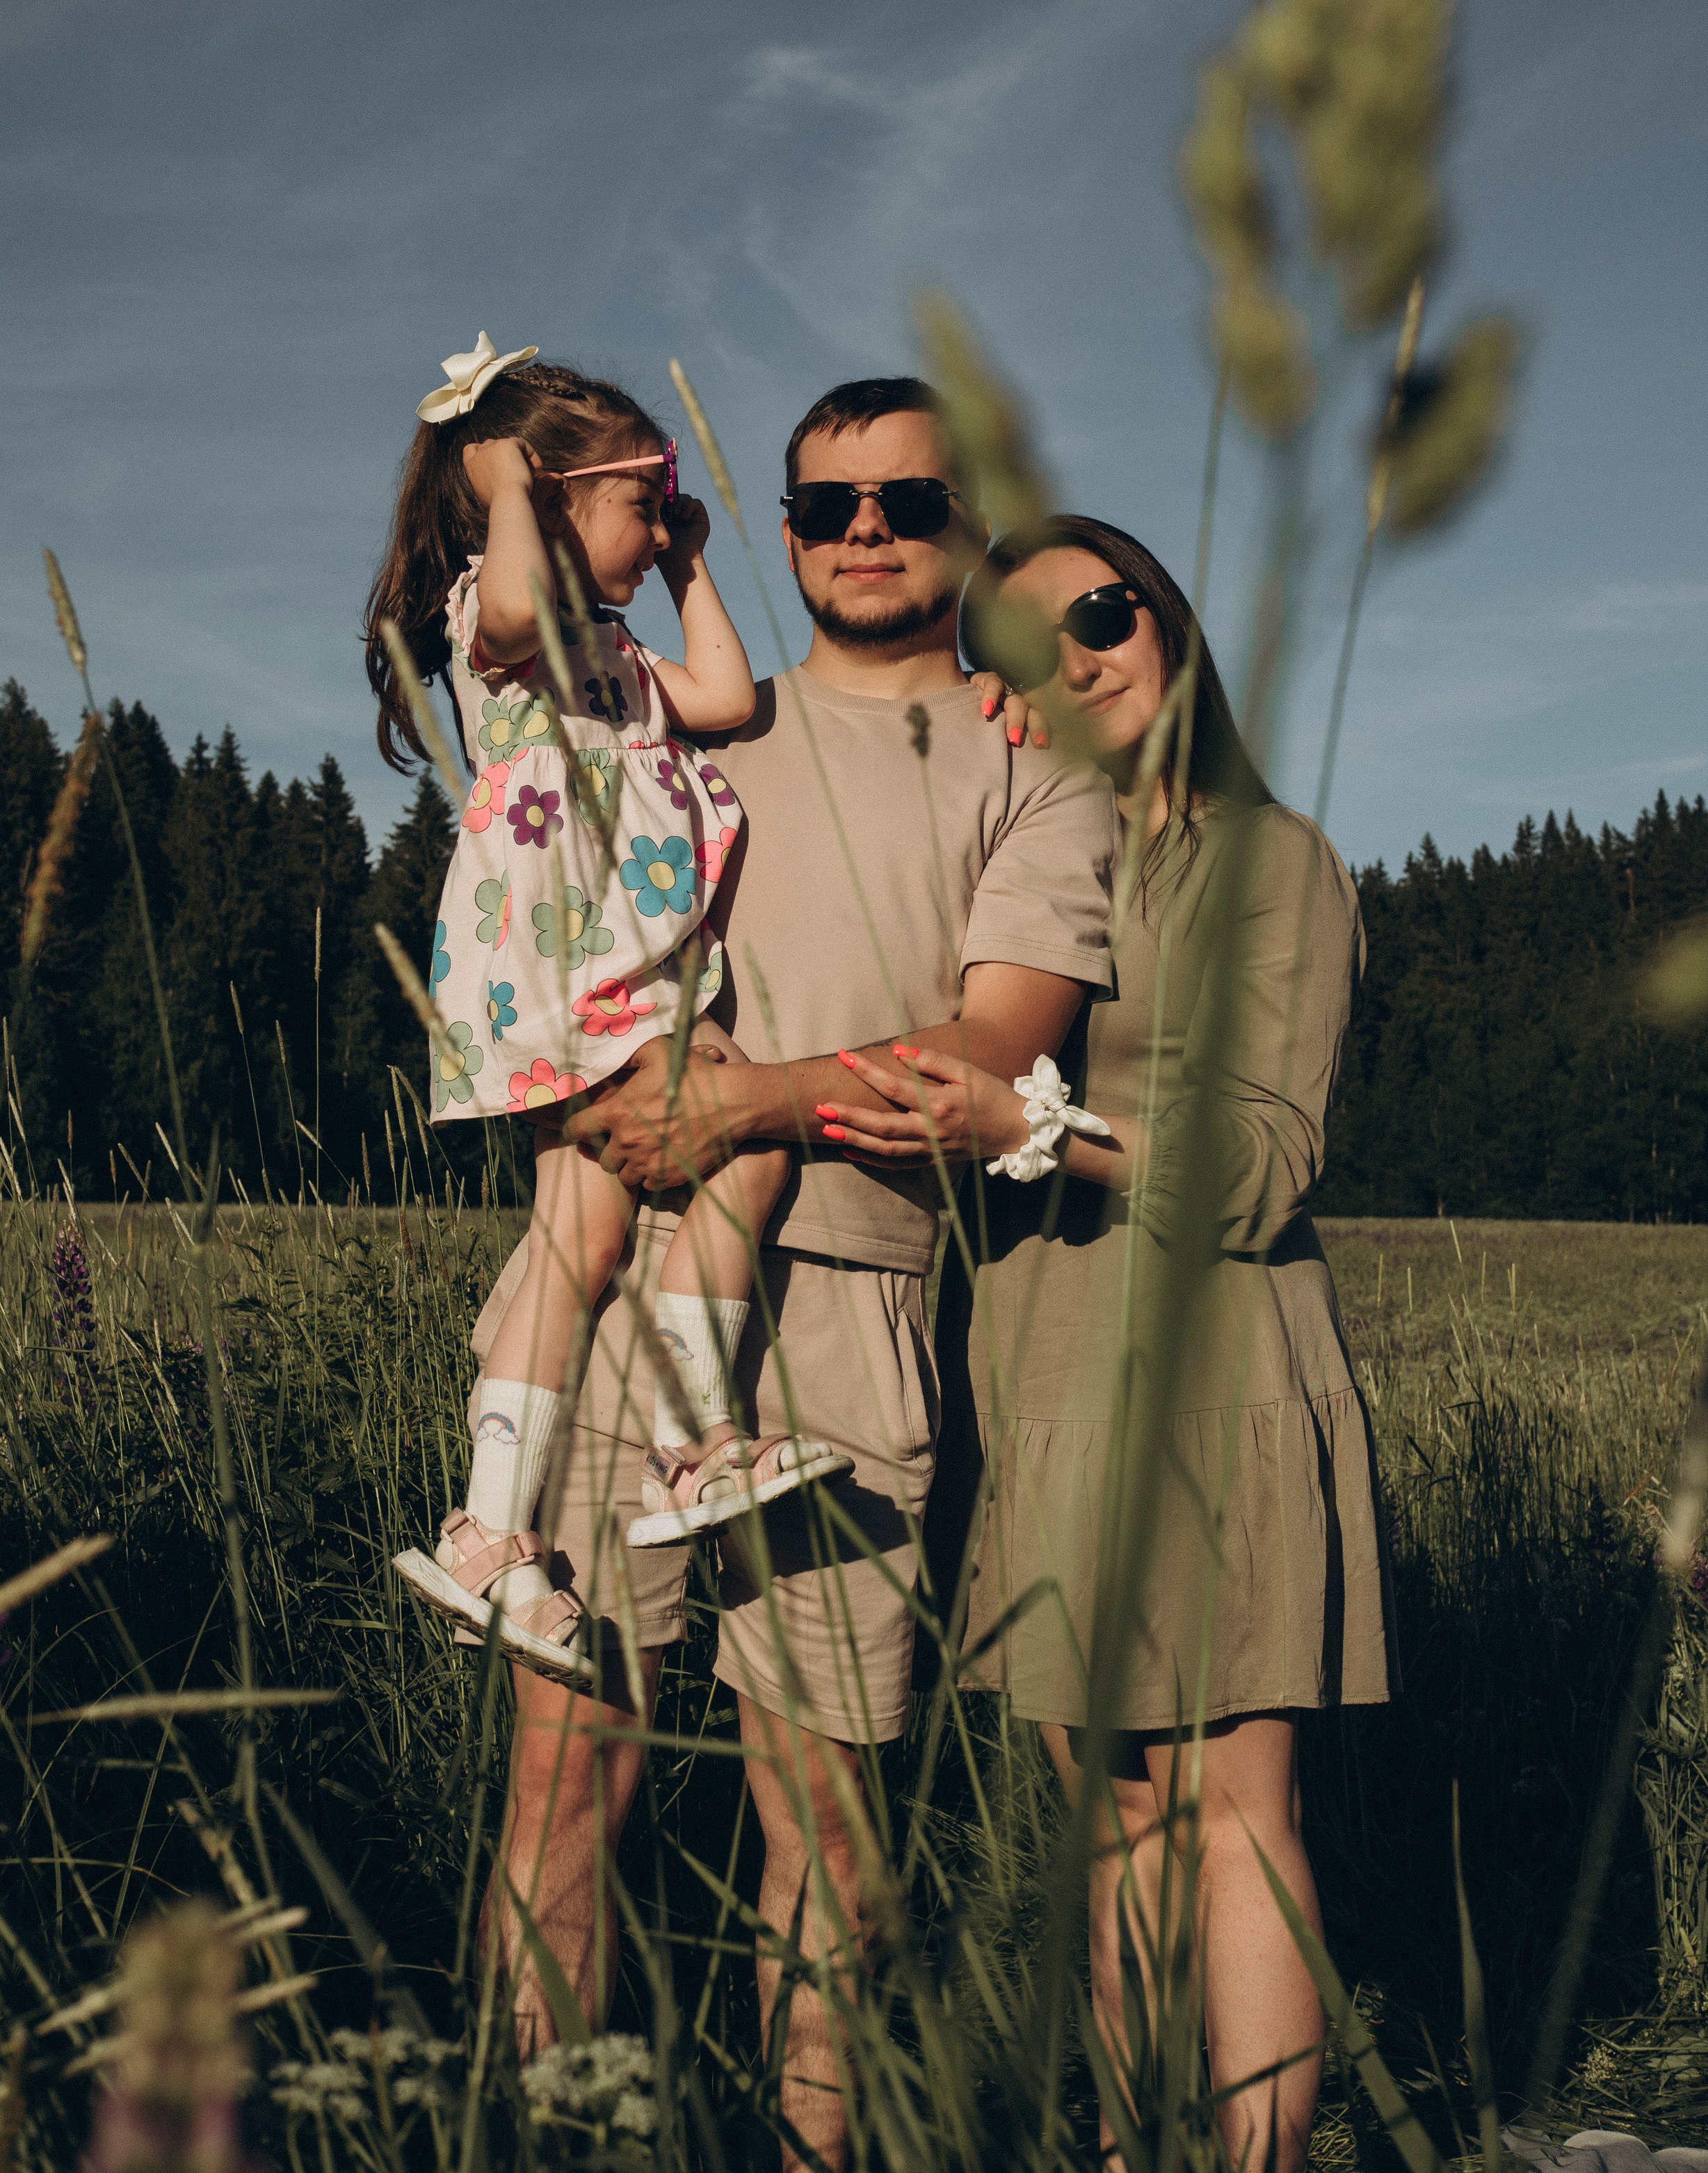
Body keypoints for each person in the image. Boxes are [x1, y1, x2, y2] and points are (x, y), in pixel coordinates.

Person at [470, 379, 1118, 2167]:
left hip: (849, 1306)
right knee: (563, 1782)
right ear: (769, 529)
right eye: (825, 504)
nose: (863, 531)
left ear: (968, 525)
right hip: (613, 1281)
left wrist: (748, 1098)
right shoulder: (683, 706)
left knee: (822, 1826)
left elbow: (997, 1058)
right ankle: (547, 2144)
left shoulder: (1034, 774)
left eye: (907, 501)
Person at [822, 515, 1398, 2173]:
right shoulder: (1026, 867)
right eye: (1024, 651)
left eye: (1101, 611)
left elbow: (1263, 1156)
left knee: (1232, 1818)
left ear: (1167, 620)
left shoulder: (1266, 861)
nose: (1076, 656)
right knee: (1114, 1820)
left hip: (1215, 1377)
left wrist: (1032, 1124)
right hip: (1043, 1377)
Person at [363, 336, 849, 1690]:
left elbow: (727, 700)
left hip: (597, 980)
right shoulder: (496, 615)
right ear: (544, 494)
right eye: (645, 500)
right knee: (750, 1148)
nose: (660, 520)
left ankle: (487, 1535)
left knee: (574, 1243)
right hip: (580, 976)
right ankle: (696, 1441)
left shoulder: (621, 653)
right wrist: (512, 495)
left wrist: (688, 563)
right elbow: (517, 609)